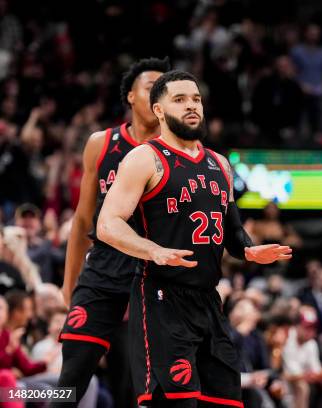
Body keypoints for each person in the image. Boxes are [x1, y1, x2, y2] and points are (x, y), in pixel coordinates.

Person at [96, 70, 292, 406]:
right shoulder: (145, 158)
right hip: (161, 298)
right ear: (158, 110)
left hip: (209, 302)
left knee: (227, 402)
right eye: (180, 99)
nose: (192, 106)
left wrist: (249, 250)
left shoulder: (219, 163)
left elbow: (233, 231)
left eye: (196, 99)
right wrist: (153, 250)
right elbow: (107, 224)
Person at [54, 57, 171, 406]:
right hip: (103, 267)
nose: (158, 95)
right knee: (70, 378)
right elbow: (82, 218)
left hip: (150, 273)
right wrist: (68, 282)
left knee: (137, 388)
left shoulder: (179, 151)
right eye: (151, 87)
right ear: (131, 97)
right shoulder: (102, 143)